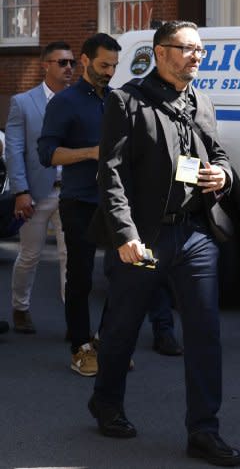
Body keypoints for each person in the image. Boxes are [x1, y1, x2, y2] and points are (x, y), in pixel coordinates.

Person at [88, 20, 240, 467]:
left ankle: (204, 431)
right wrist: (125, 235)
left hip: (194, 234)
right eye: (186, 48)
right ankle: (106, 402)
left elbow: (218, 155)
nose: (196, 56)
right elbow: (110, 174)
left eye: (200, 49)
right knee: (122, 328)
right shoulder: (127, 101)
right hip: (144, 236)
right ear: (160, 52)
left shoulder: (202, 101)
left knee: (204, 334)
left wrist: (223, 175)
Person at [38, 33, 121, 376]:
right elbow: (47, 154)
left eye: (114, 66)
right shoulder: (64, 102)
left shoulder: (117, 100)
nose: (110, 72)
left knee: (125, 276)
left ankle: (104, 341)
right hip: (79, 201)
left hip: (116, 201)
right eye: (104, 65)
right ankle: (80, 347)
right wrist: (91, 152)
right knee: (81, 279)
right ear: (85, 60)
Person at [6, 41, 73, 334]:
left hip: (71, 191)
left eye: (72, 62)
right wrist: (21, 191)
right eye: (62, 62)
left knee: (70, 255)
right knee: (30, 255)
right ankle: (20, 307)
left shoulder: (80, 99)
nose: (69, 68)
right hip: (35, 191)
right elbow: (14, 149)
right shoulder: (23, 102)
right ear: (45, 65)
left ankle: (75, 319)